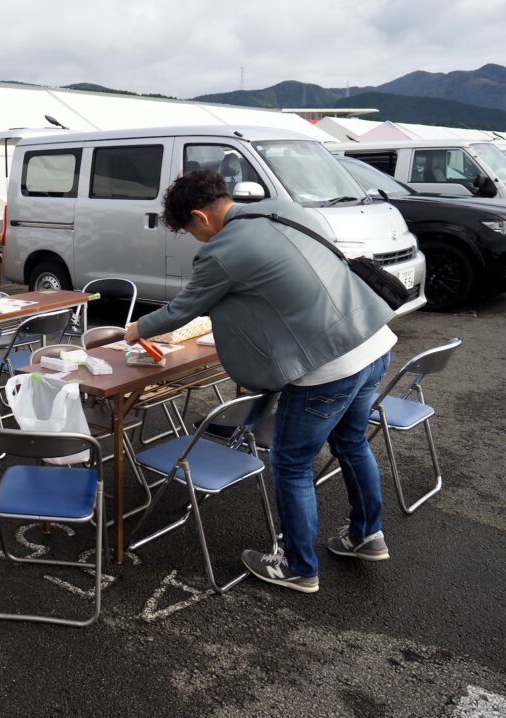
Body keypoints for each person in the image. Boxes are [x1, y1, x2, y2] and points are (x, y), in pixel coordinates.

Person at [124, 169, 397, 594]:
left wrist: (135, 329)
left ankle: (298, 567)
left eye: (190, 231)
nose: (196, 239)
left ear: (200, 216)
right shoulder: (281, 209)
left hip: (327, 368)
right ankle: (367, 535)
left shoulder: (221, 251)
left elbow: (182, 310)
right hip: (374, 342)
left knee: (291, 463)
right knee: (352, 443)